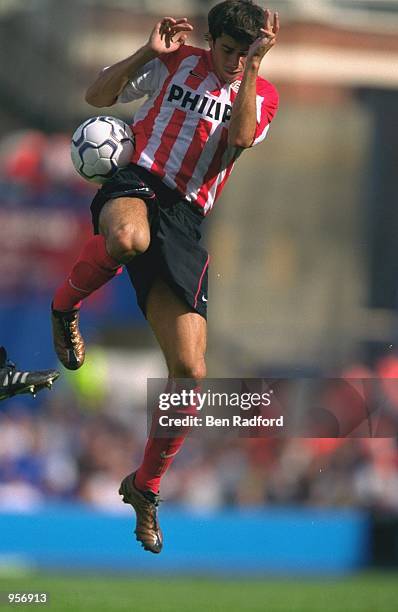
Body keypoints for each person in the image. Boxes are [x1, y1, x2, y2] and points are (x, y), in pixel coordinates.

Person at [51, 0, 279, 553]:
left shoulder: (262, 93)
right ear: (212, 39)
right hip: (138, 180)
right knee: (129, 237)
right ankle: (65, 307)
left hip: (186, 219)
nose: (230, 62)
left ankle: (145, 486)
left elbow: (241, 138)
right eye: (226, 51)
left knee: (190, 372)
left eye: (242, 55)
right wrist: (144, 54)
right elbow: (97, 98)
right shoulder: (178, 63)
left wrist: (249, 71)